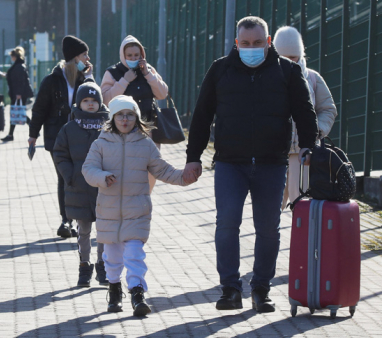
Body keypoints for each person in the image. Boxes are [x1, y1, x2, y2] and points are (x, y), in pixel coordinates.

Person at [182, 16, 318, 313]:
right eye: (245, 44)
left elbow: (305, 112)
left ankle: (261, 289)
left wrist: (310, 145)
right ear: (236, 44)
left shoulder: (288, 71)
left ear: (269, 43)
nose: (251, 48)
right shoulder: (220, 70)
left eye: (258, 43)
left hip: (272, 163)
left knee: (268, 228)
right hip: (231, 163)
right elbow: (202, 116)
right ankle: (230, 288)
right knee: (227, 225)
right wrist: (193, 158)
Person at [82, 95, 190, 316]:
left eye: (130, 115)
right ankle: (114, 289)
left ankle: (137, 293)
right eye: (120, 115)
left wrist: (184, 177)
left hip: (137, 210)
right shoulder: (100, 144)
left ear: (136, 118)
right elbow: (88, 169)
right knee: (111, 257)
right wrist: (102, 177)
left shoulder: (145, 144)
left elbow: (162, 170)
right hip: (108, 211)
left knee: (134, 254)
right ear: (112, 118)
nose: (125, 119)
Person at [29, 35, 93, 239]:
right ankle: (66, 220)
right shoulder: (52, 80)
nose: (88, 59)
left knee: (79, 177)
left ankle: (78, 218)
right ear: (75, 57)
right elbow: (39, 109)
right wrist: (32, 136)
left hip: (80, 137)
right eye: (84, 55)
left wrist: (89, 79)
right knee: (64, 177)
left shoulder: (85, 80)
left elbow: (95, 104)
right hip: (57, 138)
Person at [272, 26, 338, 208]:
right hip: (272, 153)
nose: (289, 63)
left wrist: (316, 131)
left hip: (302, 153)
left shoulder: (312, 78)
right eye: (283, 58)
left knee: (300, 204)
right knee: (269, 208)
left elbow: (328, 109)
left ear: (300, 55)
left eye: (293, 57)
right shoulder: (267, 77)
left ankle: (301, 237)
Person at [52, 81, 110, 287]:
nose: (90, 104)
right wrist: (70, 176)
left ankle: (103, 266)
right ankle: (84, 267)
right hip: (79, 187)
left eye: (94, 100)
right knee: (83, 230)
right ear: (79, 103)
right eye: (86, 100)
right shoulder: (70, 128)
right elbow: (60, 154)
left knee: (104, 230)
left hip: (104, 188)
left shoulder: (109, 127)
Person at [100, 35, 168, 193]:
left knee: (151, 168)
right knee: (126, 168)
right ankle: (128, 198)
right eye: (129, 56)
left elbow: (163, 93)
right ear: (123, 55)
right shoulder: (112, 73)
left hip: (149, 129)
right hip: (122, 130)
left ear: (142, 55)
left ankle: (144, 197)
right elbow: (105, 99)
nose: (133, 58)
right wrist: (124, 80)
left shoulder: (149, 70)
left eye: (136, 55)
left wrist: (148, 75)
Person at [1, 46, 34, 142]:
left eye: (12, 56)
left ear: (15, 56)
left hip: (18, 94)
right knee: (19, 112)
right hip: (17, 93)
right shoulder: (19, 65)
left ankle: (11, 134)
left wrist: (18, 93)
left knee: (17, 113)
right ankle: (12, 134)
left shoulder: (19, 66)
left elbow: (20, 81)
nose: (11, 58)